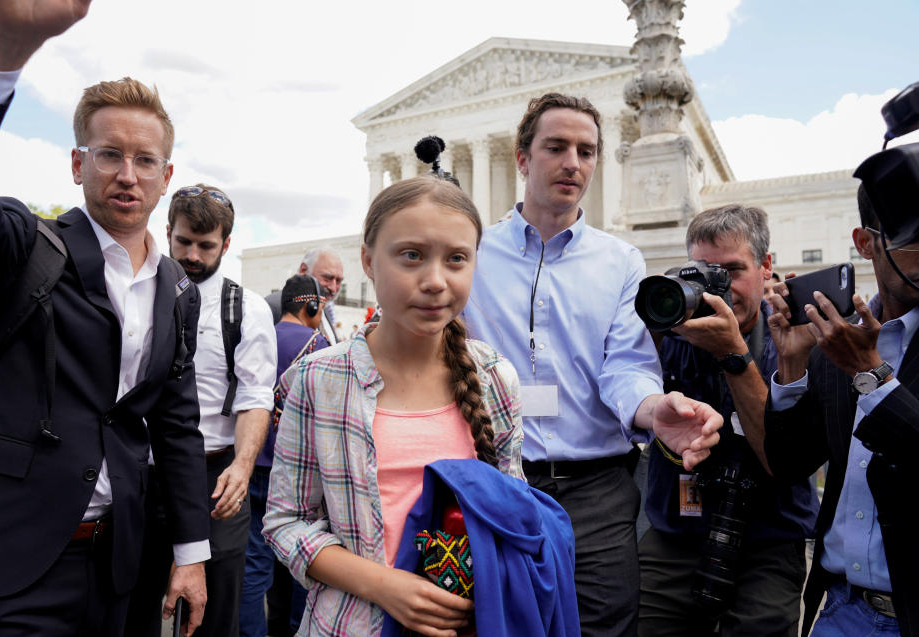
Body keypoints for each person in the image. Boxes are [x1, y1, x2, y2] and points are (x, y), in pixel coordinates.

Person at [0, 2, 209, 635]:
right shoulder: (24, 245)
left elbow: (176, 428)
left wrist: (190, 555)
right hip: (4, 559)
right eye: (109, 155)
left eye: (145, 160)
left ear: (165, 176)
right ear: (77, 164)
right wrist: (2, 47)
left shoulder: (179, 289)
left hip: (115, 564)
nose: (128, 175)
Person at [463, 92, 723, 636]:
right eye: (556, 147)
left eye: (586, 150)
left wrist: (656, 411)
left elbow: (625, 367)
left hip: (597, 493)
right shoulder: (472, 253)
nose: (572, 163)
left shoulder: (621, 260)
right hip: (494, 481)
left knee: (604, 628)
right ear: (522, 157)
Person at [263, 175, 527, 636]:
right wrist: (384, 586)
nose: (434, 281)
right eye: (411, 256)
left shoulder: (495, 378)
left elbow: (512, 509)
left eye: (457, 259)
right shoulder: (316, 380)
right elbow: (287, 522)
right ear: (368, 260)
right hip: (350, 624)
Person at [638, 205, 817, 636]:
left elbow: (784, 459)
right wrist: (658, 321)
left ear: (765, 267)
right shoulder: (667, 332)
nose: (719, 289)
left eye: (733, 271)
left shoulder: (794, 338)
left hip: (769, 535)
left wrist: (732, 353)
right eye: (703, 273)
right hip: (675, 529)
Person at [765, 183, 919, 636]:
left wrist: (871, 375)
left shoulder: (851, 353)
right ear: (865, 243)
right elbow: (790, 465)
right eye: (912, 237)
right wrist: (792, 365)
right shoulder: (839, 343)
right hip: (840, 610)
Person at [125, 185, 277, 636]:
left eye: (206, 246)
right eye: (184, 242)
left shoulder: (244, 309)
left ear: (226, 245)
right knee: (133, 602)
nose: (192, 254)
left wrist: (244, 467)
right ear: (167, 232)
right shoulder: (137, 294)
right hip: (141, 476)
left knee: (215, 610)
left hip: (216, 479)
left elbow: (255, 395)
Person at [240, 274, 330, 637]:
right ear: (312, 305)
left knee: (253, 569)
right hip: (296, 475)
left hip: (251, 467)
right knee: (301, 565)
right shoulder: (318, 344)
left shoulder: (259, 336)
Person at [299, 247, 344, 343]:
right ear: (303, 271)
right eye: (327, 278)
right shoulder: (277, 309)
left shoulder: (325, 310)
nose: (333, 288)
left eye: (339, 281)